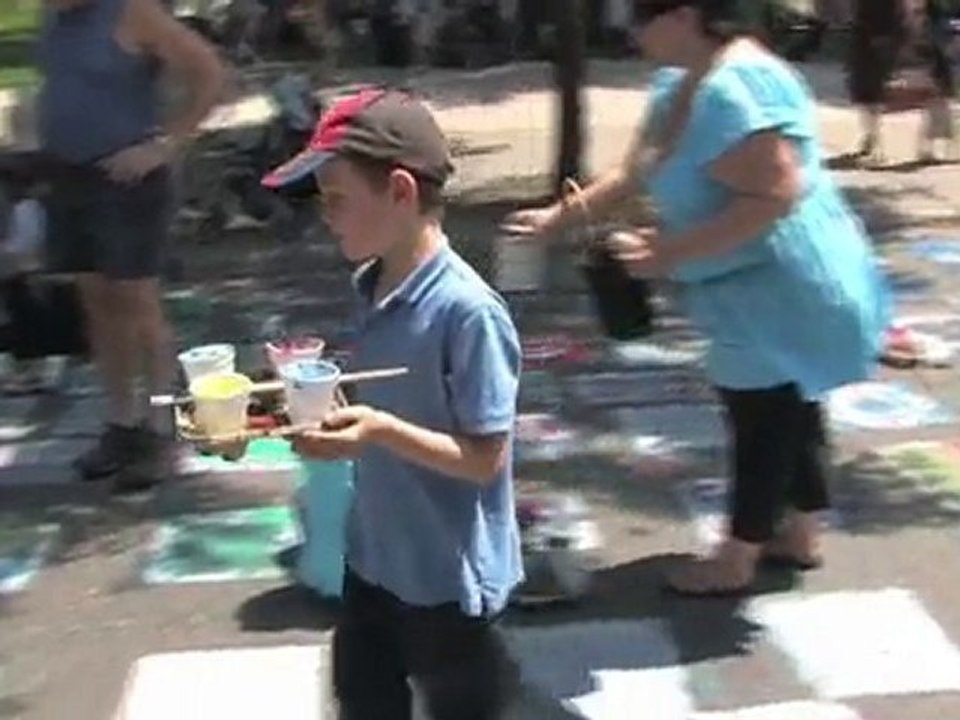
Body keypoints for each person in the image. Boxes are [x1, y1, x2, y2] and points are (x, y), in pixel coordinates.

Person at [503, 0, 890, 596]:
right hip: (761, 281)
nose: (632, 31)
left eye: (642, 16)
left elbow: (776, 194)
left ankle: (736, 557)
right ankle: (801, 532)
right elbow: (636, 173)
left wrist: (670, 253)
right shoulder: (683, 84)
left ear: (684, 15)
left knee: (761, 414)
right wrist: (560, 217)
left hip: (778, 281)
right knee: (792, 399)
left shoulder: (729, 91)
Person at [262, 88, 522, 718]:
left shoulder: (469, 312)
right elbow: (382, 399)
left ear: (401, 192)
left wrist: (376, 429)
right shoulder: (373, 281)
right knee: (362, 698)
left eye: (337, 201)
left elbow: (484, 457)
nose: (328, 218)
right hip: (375, 554)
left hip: (445, 576)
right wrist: (290, 405)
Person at [38, 0, 226, 492]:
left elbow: (208, 73)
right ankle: (121, 425)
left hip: (129, 181)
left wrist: (163, 145)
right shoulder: (56, 18)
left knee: (137, 303)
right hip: (69, 176)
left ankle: (162, 430)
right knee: (96, 301)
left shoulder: (131, 13)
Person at [847, 0, 910, 164]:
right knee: (870, 98)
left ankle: (874, 144)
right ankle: (872, 140)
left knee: (871, 98)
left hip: (874, 47)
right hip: (875, 47)